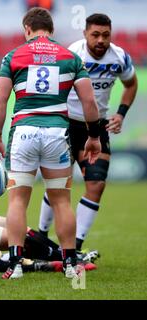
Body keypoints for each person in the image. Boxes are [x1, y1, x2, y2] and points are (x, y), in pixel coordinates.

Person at [0, 7, 101, 280]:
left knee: (17, 200)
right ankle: (70, 264)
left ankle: (15, 265)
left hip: (24, 133)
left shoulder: (13, 56)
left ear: (27, 29)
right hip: (56, 135)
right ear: (50, 29)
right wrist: (94, 136)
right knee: (61, 201)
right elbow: (88, 101)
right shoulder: (70, 57)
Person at [37, 13, 138, 251]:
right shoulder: (74, 56)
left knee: (97, 185)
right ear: (85, 34)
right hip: (66, 125)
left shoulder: (120, 57)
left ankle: (75, 245)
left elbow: (131, 83)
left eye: (106, 35)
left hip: (97, 126)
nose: (101, 40)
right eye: (95, 35)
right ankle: (41, 237)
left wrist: (121, 113)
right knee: (59, 185)